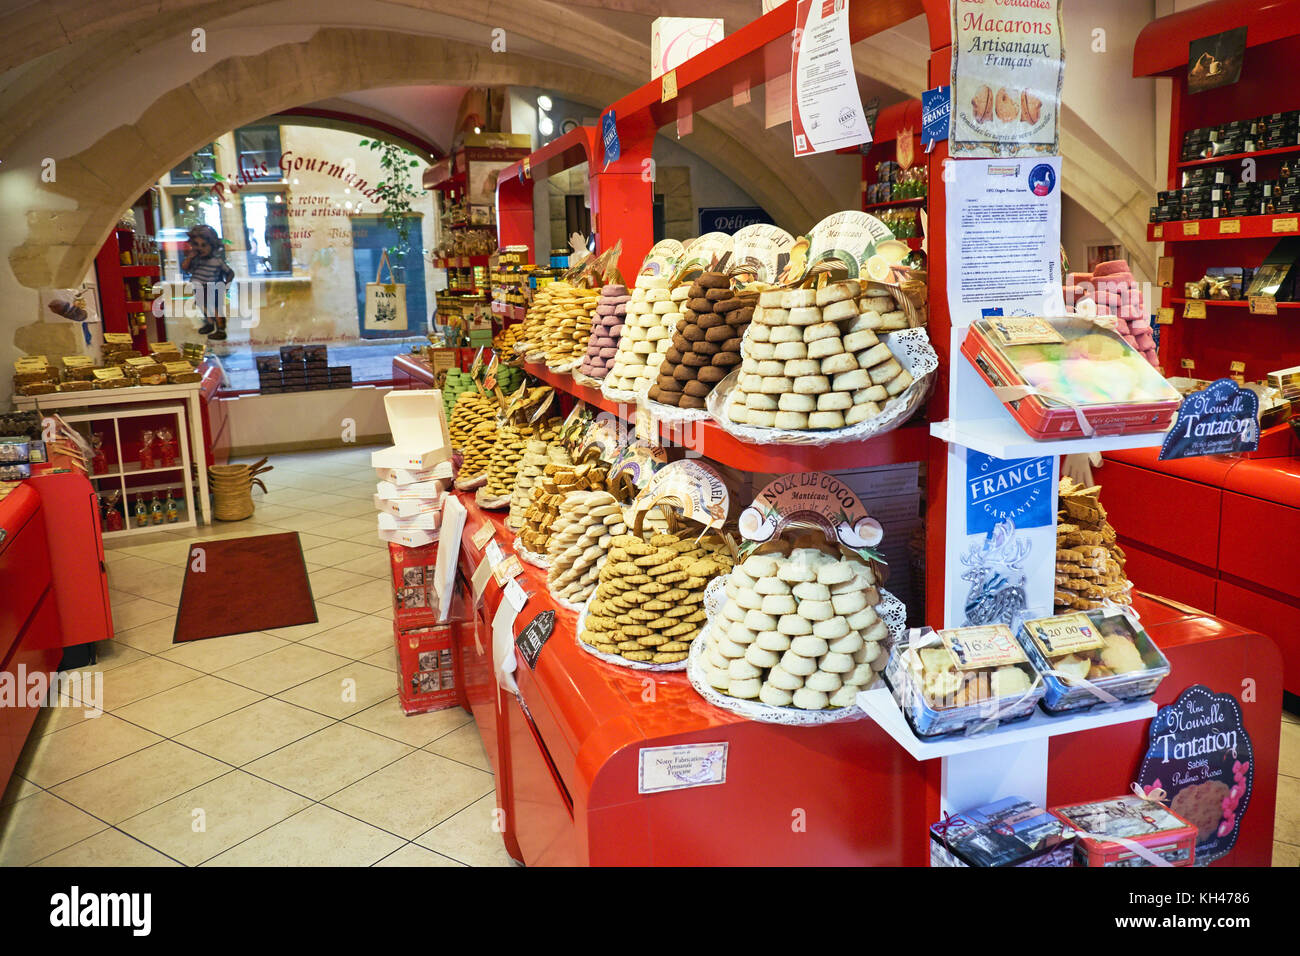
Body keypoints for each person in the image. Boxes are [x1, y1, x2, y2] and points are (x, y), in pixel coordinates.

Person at [182, 224, 235, 340]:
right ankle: (210, 323)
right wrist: (190, 257)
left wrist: (227, 286)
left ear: (212, 245)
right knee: (203, 306)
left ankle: (221, 329)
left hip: (213, 287)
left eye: (204, 245)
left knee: (216, 309)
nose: (200, 248)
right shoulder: (196, 260)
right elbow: (185, 267)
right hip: (199, 287)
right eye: (196, 245)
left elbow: (230, 272)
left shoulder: (216, 261)